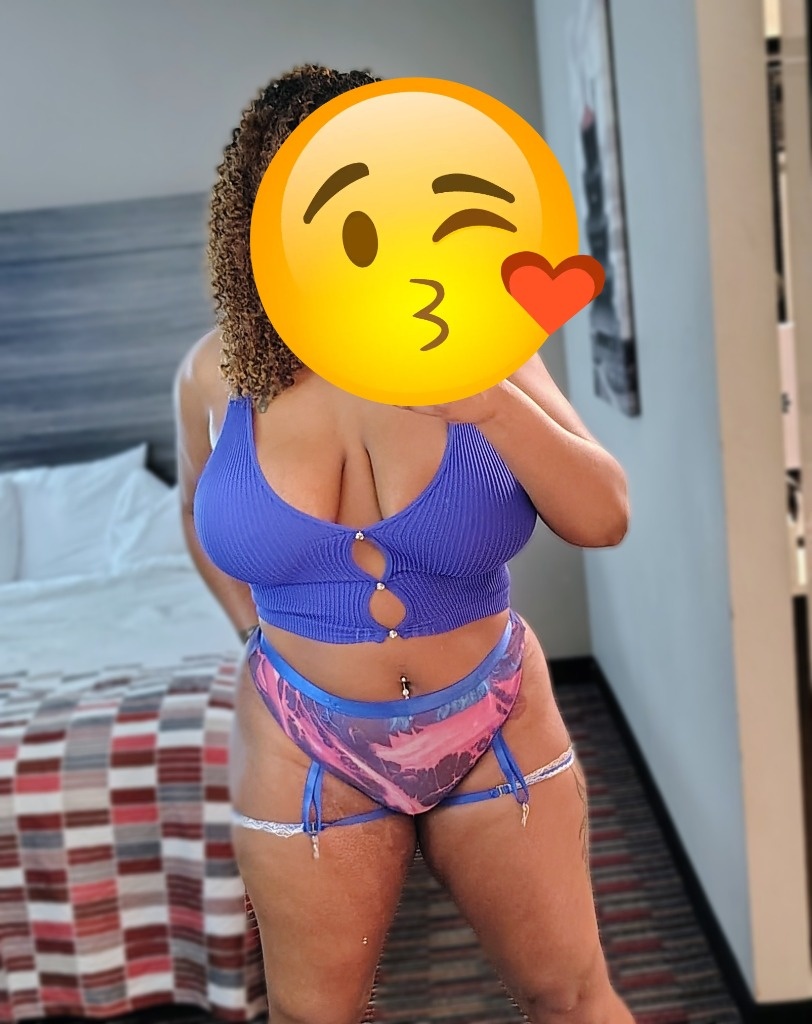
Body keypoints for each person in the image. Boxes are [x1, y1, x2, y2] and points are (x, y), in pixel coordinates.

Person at [176, 64, 636, 1024]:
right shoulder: (215, 374)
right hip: (301, 737)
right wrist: (253, 631)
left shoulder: (483, 339)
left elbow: (604, 516)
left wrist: (491, 401)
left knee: (573, 997)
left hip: (494, 718)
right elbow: (194, 511)